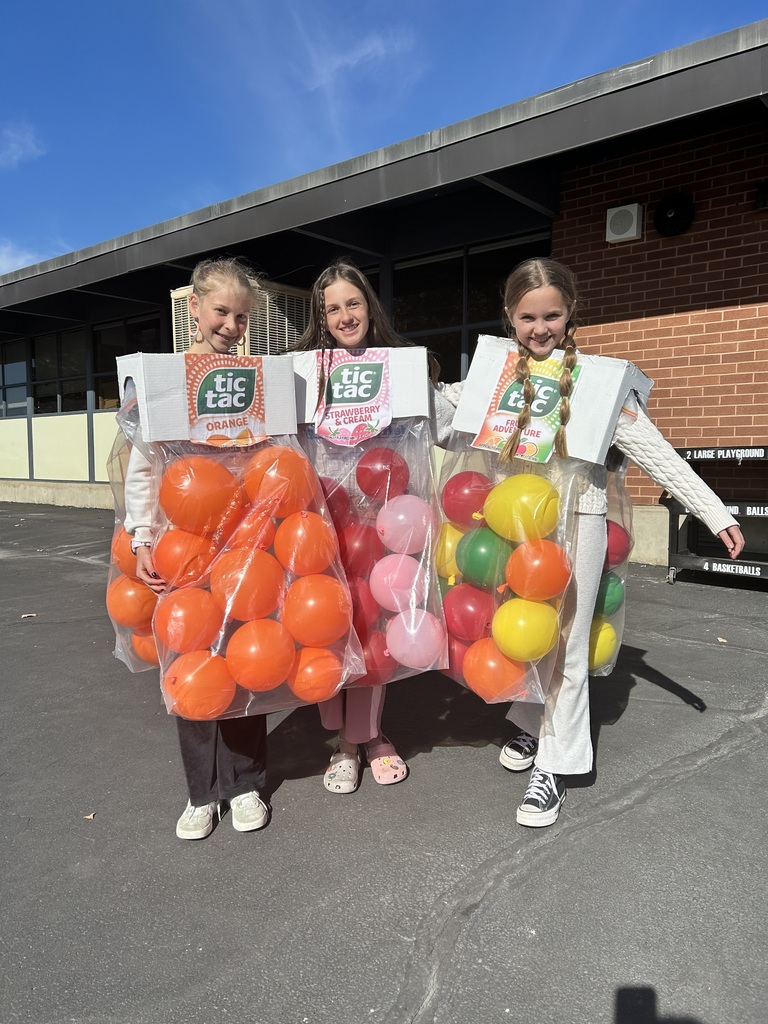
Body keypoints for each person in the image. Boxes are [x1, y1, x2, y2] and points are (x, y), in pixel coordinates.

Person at [485, 258, 744, 827]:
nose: (540, 328)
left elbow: (653, 449)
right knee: (524, 632)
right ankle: (530, 724)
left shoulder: (600, 380)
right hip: (514, 526)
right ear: (509, 316)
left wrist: (712, 511)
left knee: (569, 644)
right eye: (527, 317)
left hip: (580, 521)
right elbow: (439, 405)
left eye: (552, 315)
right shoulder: (495, 372)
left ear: (571, 312)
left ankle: (556, 765)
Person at [292, 259, 455, 794]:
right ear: (321, 318)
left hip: (384, 525)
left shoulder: (400, 367)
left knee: (374, 629)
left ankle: (367, 736)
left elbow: (448, 421)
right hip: (323, 522)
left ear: (370, 307)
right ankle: (341, 739)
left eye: (353, 303)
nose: (345, 316)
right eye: (332, 308)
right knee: (329, 631)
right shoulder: (304, 374)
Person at [122, 257, 270, 840]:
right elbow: (140, 467)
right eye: (220, 311)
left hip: (241, 549)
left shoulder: (257, 381)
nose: (230, 324)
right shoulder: (162, 379)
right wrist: (141, 536)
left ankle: (246, 784)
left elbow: (267, 461)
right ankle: (201, 793)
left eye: (240, 315)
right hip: (183, 549)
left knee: (245, 656)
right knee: (189, 661)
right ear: (193, 309)